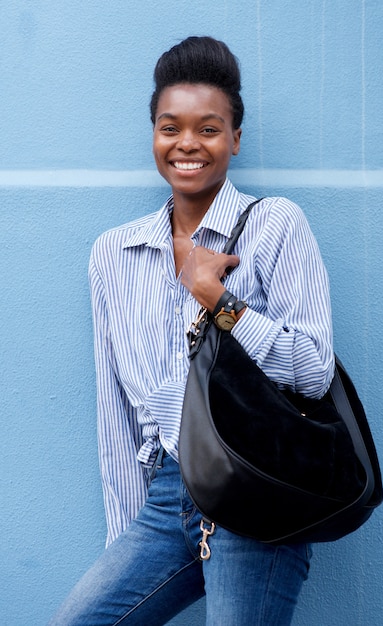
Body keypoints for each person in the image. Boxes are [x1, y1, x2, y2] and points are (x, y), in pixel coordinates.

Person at [49, 36, 334, 625]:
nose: (187, 144)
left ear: (234, 138)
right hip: (165, 496)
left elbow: (312, 369)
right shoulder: (114, 253)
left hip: (253, 491)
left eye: (209, 128)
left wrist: (216, 299)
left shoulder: (276, 226)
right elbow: (117, 413)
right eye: (169, 126)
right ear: (153, 133)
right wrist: (125, 545)